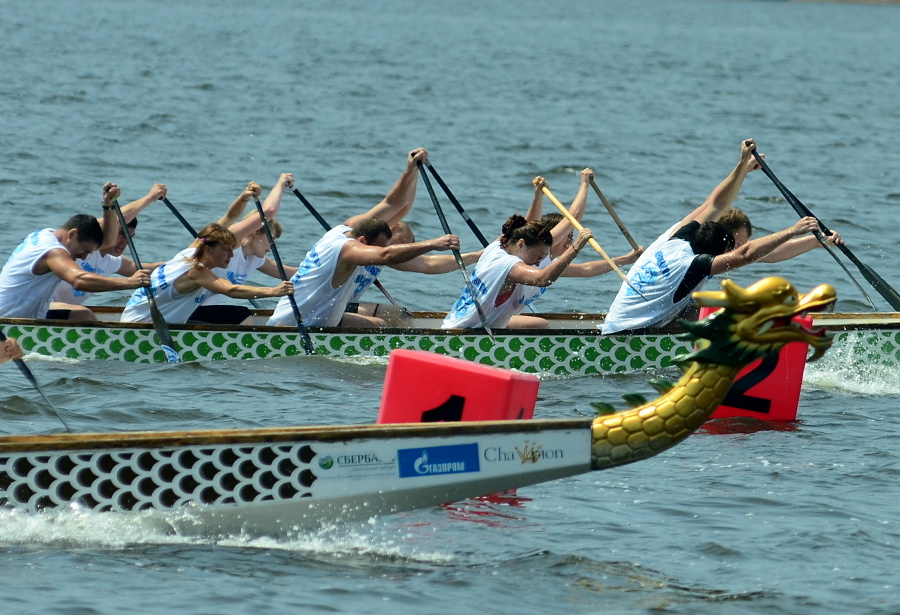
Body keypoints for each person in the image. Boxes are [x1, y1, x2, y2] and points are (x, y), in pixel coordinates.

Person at [600, 139, 822, 334]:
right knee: (733, 314)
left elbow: (716, 203)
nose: (737, 249)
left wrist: (742, 167)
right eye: (733, 247)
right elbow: (745, 255)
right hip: (626, 333)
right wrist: (792, 230)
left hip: (618, 321)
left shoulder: (677, 238)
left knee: (707, 306)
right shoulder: (692, 265)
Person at [267, 149, 460, 328]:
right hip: (293, 325)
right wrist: (434, 243)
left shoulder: (347, 229)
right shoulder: (346, 249)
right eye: (375, 249)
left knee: (387, 322)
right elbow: (385, 255)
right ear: (362, 242)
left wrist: (412, 170)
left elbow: (398, 205)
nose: (375, 255)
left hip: (321, 318)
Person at [0, 198, 151, 320]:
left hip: (20, 319)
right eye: (85, 250)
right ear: (72, 234)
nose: (84, 257)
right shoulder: (52, 251)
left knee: (80, 315)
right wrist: (129, 282)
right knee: (85, 316)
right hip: (7, 322)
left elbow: (109, 242)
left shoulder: (45, 234)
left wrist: (108, 206)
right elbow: (79, 280)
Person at [120, 223, 293, 325]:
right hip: (141, 325)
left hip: (138, 317)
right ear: (209, 249)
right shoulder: (198, 271)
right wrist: (274, 292)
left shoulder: (188, 255)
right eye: (226, 250)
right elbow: (231, 291)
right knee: (240, 314)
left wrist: (244, 198)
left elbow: (228, 218)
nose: (232, 255)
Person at [442, 214, 593, 330]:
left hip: (466, 330)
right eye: (536, 256)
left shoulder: (497, 246)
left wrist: (537, 196)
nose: (538, 263)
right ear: (521, 244)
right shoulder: (509, 265)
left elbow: (525, 226)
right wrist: (576, 247)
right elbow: (542, 279)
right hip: (465, 334)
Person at [186, 175, 297, 324]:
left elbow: (291, 274)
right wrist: (280, 184)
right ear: (255, 232)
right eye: (271, 240)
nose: (271, 247)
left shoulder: (256, 260)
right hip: (182, 307)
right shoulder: (231, 245)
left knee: (241, 314)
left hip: (200, 310)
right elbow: (258, 213)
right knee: (241, 314)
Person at [523, 170, 643, 308]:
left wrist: (626, 259)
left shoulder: (549, 264)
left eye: (572, 235)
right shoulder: (535, 254)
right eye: (567, 234)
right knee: (542, 325)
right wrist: (584, 184)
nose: (570, 240)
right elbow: (574, 215)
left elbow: (585, 269)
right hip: (495, 318)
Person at [50, 182, 168, 321]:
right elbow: (114, 221)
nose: (125, 242)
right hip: (39, 307)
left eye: (130, 237)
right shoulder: (81, 248)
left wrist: (189, 261)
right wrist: (150, 197)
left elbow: (150, 269)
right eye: (121, 234)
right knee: (84, 315)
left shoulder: (111, 261)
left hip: (59, 311)